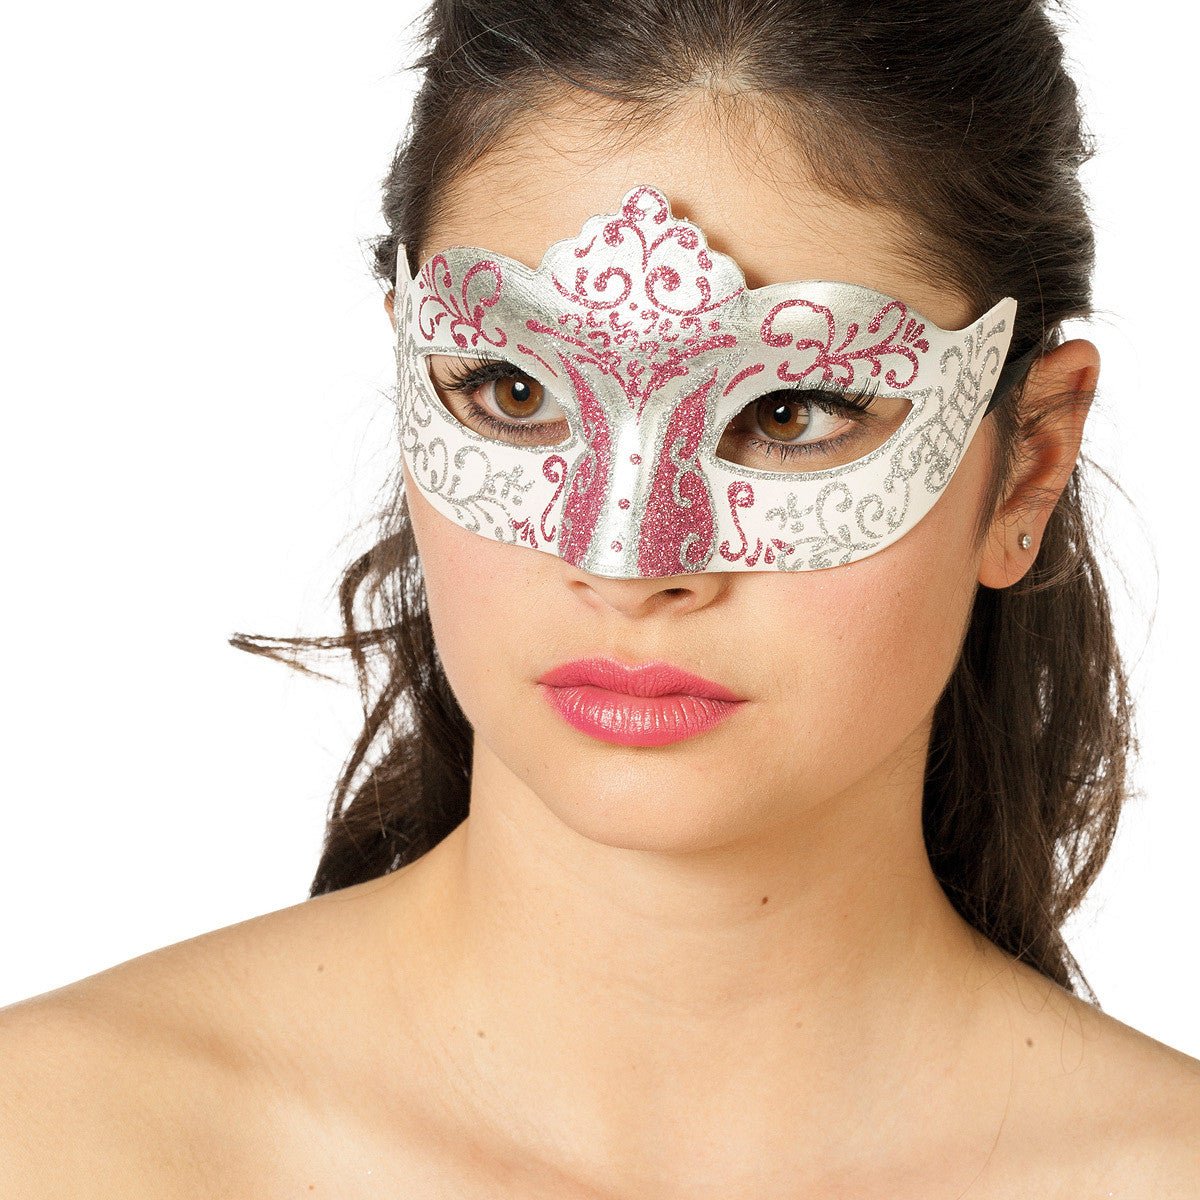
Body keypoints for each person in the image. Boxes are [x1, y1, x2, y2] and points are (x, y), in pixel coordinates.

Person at [3, 0, 1198, 1195]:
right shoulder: (56, 1136)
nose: (627, 557)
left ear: (1028, 460)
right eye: (516, 389)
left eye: (790, 413)